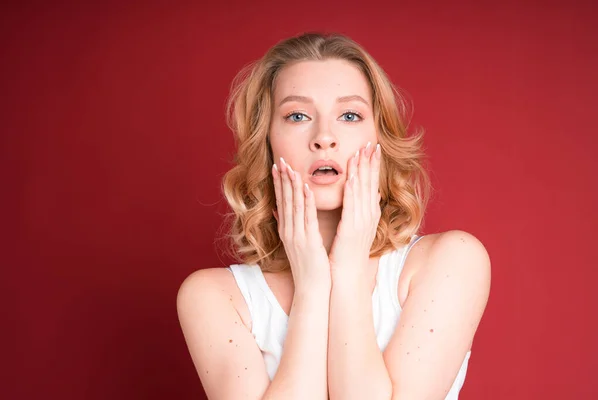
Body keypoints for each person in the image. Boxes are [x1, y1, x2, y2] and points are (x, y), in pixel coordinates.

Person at [177, 32, 491, 400]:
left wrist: (348, 269)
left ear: (380, 138)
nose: (324, 137)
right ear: (266, 141)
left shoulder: (452, 260)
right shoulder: (213, 297)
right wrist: (312, 286)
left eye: (349, 115)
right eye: (297, 115)